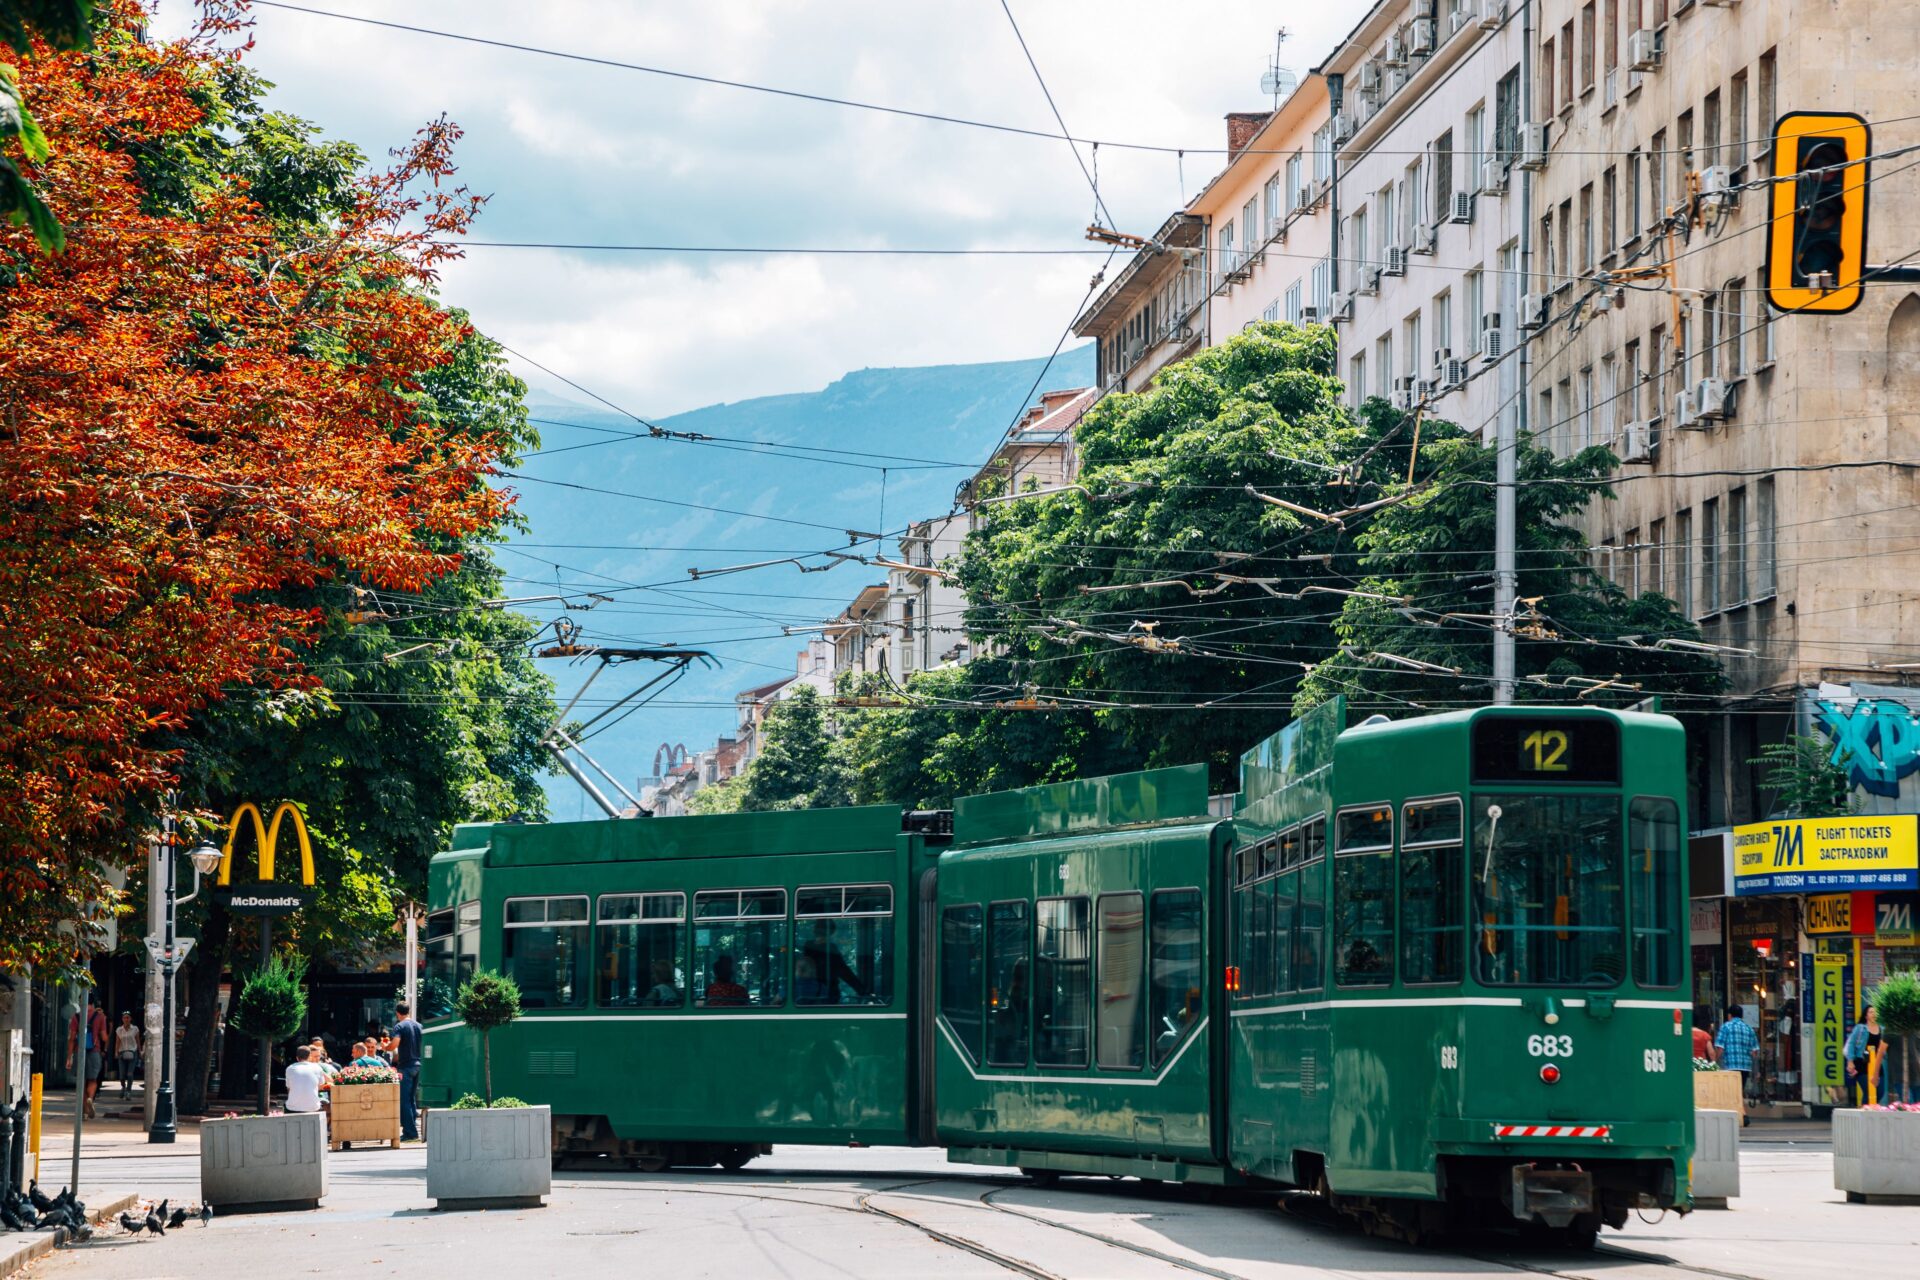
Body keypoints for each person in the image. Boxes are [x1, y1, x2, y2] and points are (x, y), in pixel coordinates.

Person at [798, 920, 869, 1005]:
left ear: (815, 931)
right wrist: (861, 990)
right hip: (829, 994)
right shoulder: (831, 949)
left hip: (806, 993)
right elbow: (844, 972)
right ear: (830, 933)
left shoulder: (807, 947)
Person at [65, 999, 109, 1119]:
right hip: (94, 1051)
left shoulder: (76, 1017)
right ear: (93, 1004)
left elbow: (72, 1038)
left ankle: (84, 1113)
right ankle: (90, 1098)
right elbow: (104, 1037)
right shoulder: (100, 1017)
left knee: (82, 1082)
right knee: (93, 1080)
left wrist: (69, 1057)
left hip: (79, 1052)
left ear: (81, 1003)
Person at [391, 1000, 424, 1143]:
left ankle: (410, 1133)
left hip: (405, 1067)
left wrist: (386, 1047)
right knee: (411, 1100)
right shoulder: (419, 1025)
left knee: (404, 1101)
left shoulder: (399, 1026)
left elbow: (395, 1044)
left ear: (398, 1013)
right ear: (408, 1011)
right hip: (417, 1065)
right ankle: (413, 1132)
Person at [1714, 1003, 1760, 1097]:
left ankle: (1734, 1110)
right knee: (1739, 1091)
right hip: (1745, 1067)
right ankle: (1740, 1110)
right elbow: (1755, 1052)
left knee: (1730, 1093)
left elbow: (1720, 1048)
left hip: (1730, 1065)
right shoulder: (1749, 1029)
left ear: (1729, 1015)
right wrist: (1756, 1070)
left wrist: (1714, 1062)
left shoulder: (1725, 1027)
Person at [1845, 1005, 1885, 1107]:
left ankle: (1871, 1112)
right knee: (1868, 1090)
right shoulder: (1860, 1028)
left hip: (1877, 1064)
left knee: (1880, 1092)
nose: (1874, 1014)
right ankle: (1864, 1114)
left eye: (1875, 1012)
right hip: (1862, 1064)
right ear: (1866, 1016)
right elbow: (1851, 1044)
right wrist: (1850, 1061)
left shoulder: (1882, 1029)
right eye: (1871, 1012)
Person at [284, 1044, 328, 1123]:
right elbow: (321, 1085)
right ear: (309, 1056)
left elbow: (289, 1088)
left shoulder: (290, 1068)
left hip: (293, 1108)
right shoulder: (317, 1068)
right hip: (313, 1107)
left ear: (297, 1058)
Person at [113, 1012, 142, 1100]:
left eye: (128, 1018)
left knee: (129, 1074)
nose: (126, 1019)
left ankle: (129, 1091)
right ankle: (123, 1087)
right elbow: (117, 1041)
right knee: (122, 1075)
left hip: (132, 1052)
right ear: (122, 1019)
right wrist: (116, 1052)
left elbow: (137, 1041)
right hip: (122, 1053)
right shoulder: (119, 1030)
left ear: (130, 1019)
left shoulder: (135, 1029)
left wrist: (140, 1051)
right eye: (124, 1018)